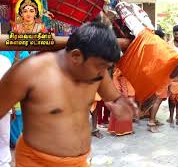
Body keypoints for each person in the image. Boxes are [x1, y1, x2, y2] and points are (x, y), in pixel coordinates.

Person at [0, 22, 138, 166]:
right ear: (76, 56)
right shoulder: (29, 71)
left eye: (106, 67)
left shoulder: (97, 73)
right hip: (36, 162)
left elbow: (114, 98)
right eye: (100, 67)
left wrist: (121, 105)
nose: (103, 72)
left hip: (79, 162)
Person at [106, 68, 134, 136]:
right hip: (124, 91)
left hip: (127, 89)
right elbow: (117, 78)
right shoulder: (120, 69)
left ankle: (123, 130)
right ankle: (120, 130)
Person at [0, 54, 14, 167]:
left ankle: (4, 163)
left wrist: (12, 106)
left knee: (4, 137)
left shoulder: (5, 61)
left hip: (3, 105)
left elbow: (9, 86)